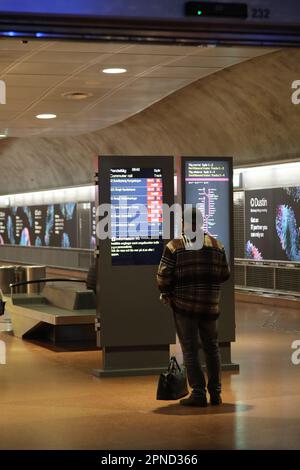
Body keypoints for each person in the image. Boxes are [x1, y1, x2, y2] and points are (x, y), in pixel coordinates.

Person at [157, 207, 230, 407]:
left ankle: (198, 393)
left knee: (190, 350)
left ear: (184, 222)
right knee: (212, 349)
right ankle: (215, 394)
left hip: (184, 307)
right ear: (201, 222)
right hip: (210, 307)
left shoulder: (175, 246)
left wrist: (166, 292)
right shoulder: (217, 245)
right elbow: (225, 274)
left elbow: (163, 275)